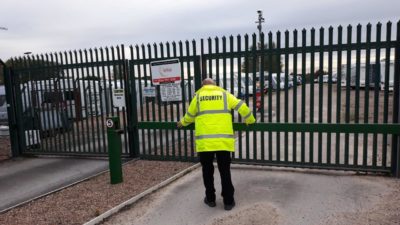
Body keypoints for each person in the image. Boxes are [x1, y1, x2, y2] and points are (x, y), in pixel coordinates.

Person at [177, 78, 256, 210]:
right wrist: (251, 120)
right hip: (223, 141)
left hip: (205, 143)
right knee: (225, 171)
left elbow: (190, 116)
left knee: (207, 171)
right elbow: (241, 106)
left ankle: (210, 199)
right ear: (214, 85)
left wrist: (182, 123)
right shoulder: (224, 94)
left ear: (203, 86)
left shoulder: (198, 97)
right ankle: (228, 201)